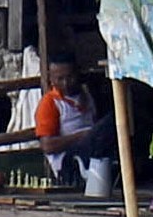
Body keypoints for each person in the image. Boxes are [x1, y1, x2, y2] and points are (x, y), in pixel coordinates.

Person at [36, 54, 114, 195]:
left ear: (77, 74)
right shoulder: (49, 103)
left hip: (90, 152)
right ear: (51, 78)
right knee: (111, 122)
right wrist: (82, 136)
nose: (66, 83)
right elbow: (47, 146)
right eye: (60, 79)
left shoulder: (87, 96)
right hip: (69, 162)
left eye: (70, 77)